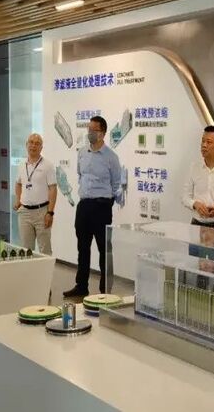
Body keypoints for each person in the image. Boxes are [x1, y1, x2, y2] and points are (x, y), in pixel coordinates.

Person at [63, 116, 123, 298]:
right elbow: (80, 175)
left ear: (102, 133)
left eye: (93, 130)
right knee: (82, 247)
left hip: (102, 207)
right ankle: (81, 286)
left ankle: (105, 290)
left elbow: (116, 184)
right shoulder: (82, 152)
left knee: (104, 249)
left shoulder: (111, 157)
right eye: (88, 129)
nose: (89, 133)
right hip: (84, 206)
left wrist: (107, 201)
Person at [13, 133, 57, 255]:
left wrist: (50, 212)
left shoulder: (48, 166)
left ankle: (45, 269)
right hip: (24, 213)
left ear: (41, 147)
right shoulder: (22, 164)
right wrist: (18, 200)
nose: (33, 146)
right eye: (31, 142)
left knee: (45, 250)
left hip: (42, 212)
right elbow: (18, 183)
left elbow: (53, 189)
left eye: (37, 143)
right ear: (26, 145)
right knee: (26, 249)